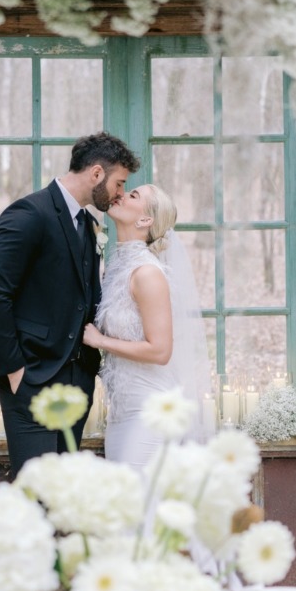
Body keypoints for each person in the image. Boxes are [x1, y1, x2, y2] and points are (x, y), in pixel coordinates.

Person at [0, 132, 141, 477]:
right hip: (32, 376)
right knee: (37, 493)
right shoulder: (28, 213)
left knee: (62, 494)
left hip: (75, 378)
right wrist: (17, 371)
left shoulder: (88, 223)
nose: (120, 194)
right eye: (120, 183)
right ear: (97, 173)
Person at [83, 184, 210, 472]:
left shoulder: (148, 274)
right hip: (121, 411)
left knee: (142, 508)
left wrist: (99, 341)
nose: (122, 195)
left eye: (134, 195)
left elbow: (160, 350)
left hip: (149, 412)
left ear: (145, 220)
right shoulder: (117, 268)